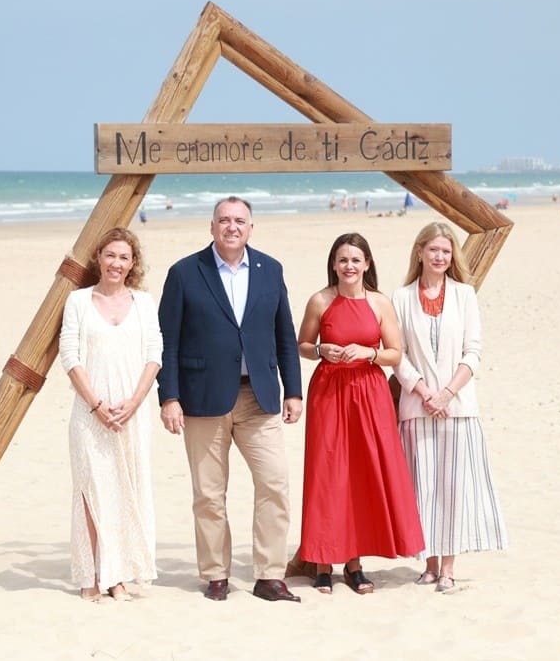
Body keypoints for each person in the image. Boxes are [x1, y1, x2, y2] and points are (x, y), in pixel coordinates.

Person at [157, 196, 304, 603]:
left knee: (275, 483)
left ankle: (270, 575)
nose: (232, 227)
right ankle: (216, 574)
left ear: (251, 228)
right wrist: (169, 397)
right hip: (202, 398)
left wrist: (293, 390)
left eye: (240, 220)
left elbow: (284, 336)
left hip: (259, 398)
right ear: (212, 226)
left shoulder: (270, 270)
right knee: (208, 493)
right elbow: (167, 342)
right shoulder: (185, 273)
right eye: (224, 220)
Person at [297, 233, 424, 595]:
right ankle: (322, 562)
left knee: (361, 473)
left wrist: (367, 354)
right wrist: (323, 349)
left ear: (367, 263)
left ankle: (353, 563)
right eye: (342, 260)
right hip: (329, 391)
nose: (349, 266)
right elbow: (302, 345)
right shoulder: (320, 300)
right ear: (333, 264)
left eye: (356, 259)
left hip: (369, 393)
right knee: (326, 472)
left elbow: (395, 353)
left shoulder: (380, 302)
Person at [391, 222, 508, 593]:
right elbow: (399, 356)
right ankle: (428, 563)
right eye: (433, 250)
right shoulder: (401, 297)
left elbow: (473, 351)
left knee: (453, 489)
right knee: (422, 487)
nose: (439, 257)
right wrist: (425, 392)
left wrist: (446, 393)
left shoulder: (464, 294)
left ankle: (448, 568)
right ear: (420, 252)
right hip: (416, 406)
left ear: (451, 255)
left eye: (446, 251)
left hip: (458, 408)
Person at [58, 227, 162, 602]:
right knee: (91, 491)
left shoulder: (145, 302)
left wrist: (134, 402)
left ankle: (117, 575)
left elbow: (154, 355)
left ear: (133, 263)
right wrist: (97, 405)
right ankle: (91, 574)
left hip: (132, 414)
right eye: (110, 255)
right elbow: (70, 356)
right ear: (98, 258)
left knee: (124, 490)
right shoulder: (78, 302)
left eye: (124, 257)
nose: (116, 263)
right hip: (90, 415)